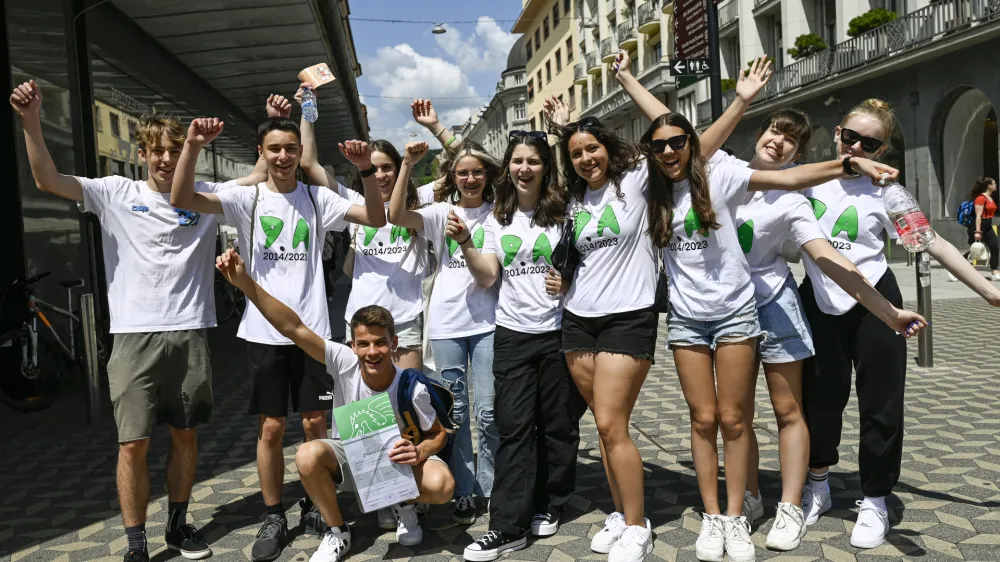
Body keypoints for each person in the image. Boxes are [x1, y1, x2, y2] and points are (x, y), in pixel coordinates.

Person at [8, 80, 262, 562]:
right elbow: (48, 181)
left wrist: (287, 111)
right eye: (158, 151)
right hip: (132, 338)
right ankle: (135, 544)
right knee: (132, 445)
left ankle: (179, 526)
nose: (167, 159)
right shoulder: (114, 192)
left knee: (186, 435)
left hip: (190, 331)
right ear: (143, 153)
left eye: (174, 150)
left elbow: (263, 172)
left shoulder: (205, 194)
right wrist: (31, 121)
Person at [170, 115, 386, 562]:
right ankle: (274, 514)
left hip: (313, 333)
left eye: (290, 148)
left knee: (313, 424)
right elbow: (182, 197)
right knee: (270, 428)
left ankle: (314, 503)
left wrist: (365, 170)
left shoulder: (315, 197)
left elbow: (376, 216)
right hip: (262, 331)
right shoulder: (245, 197)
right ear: (262, 154)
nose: (284, 157)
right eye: (275, 149)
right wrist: (191, 145)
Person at [798, 99, 1000, 550]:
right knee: (820, 400)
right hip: (819, 301)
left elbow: (933, 243)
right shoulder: (807, 181)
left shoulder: (888, 192)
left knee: (881, 406)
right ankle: (818, 482)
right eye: (850, 137)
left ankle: (874, 498)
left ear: (884, 149)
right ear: (836, 134)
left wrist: (988, 292)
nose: (856, 147)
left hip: (878, 302)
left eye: (870, 143)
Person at [215, 249, 454, 562]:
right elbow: (293, 327)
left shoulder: (411, 384)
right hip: (354, 461)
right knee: (307, 454)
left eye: (380, 342)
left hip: (399, 464)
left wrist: (420, 451)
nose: (372, 351)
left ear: (393, 344)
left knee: (442, 485)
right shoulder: (342, 362)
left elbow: (438, 434)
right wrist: (246, 284)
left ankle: (402, 503)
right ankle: (337, 530)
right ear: (352, 345)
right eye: (364, 343)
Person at [445, 119, 586, 561]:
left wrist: (568, 281)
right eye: (518, 161)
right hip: (512, 334)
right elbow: (488, 276)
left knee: (559, 426)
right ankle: (508, 525)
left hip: (560, 332)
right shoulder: (494, 218)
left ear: (546, 167)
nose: (525, 168)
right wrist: (467, 242)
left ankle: (550, 501)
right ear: (508, 168)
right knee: (515, 428)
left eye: (533, 161)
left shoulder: (567, 210)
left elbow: (589, 261)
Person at [387, 141, 501, 525]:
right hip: (447, 324)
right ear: (452, 178)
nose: (470, 178)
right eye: (462, 172)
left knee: (488, 412)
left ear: (488, 176)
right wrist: (406, 163)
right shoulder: (440, 213)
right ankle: (466, 490)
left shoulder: (500, 214)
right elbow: (396, 213)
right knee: (456, 414)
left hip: (489, 324)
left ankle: (491, 487)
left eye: (477, 172)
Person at [966, 177, 999, 280]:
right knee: (973, 251)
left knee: (995, 247)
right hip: (978, 226)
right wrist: (977, 231)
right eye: (994, 184)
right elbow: (978, 216)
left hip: (988, 225)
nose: (995, 185)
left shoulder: (990, 198)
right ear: (989, 186)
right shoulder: (980, 198)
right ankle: (954, 268)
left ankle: (994, 271)